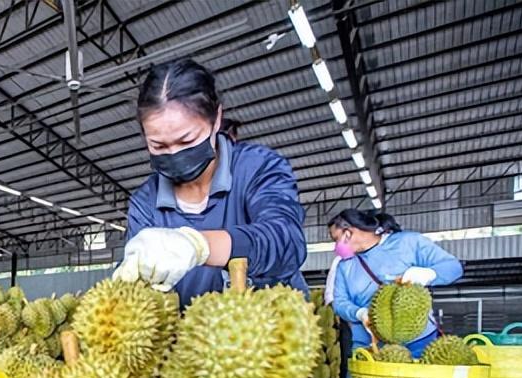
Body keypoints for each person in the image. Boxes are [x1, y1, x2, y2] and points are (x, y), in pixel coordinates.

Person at [113, 58, 307, 305]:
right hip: (190, 338)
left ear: (216, 120)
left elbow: (286, 242)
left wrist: (198, 245)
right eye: (158, 145)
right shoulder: (146, 201)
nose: (174, 153)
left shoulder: (257, 167)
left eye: (186, 141)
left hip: (271, 334)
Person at [329, 208, 462, 361]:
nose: (336, 247)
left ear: (348, 233)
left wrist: (429, 274)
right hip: (369, 345)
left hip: (418, 341)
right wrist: (359, 313)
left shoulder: (408, 243)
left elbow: (453, 267)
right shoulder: (345, 266)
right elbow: (340, 302)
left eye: (336, 239)